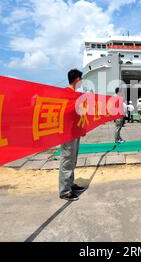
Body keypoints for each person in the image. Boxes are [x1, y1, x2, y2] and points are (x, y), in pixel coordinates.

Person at [59, 69, 87, 201]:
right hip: (67, 133)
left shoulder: (75, 95)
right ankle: (64, 191)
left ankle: (70, 184)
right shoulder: (65, 94)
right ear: (77, 79)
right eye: (81, 79)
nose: (81, 82)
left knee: (73, 159)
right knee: (67, 160)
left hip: (75, 132)